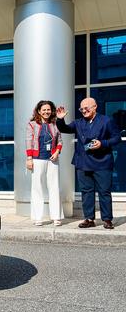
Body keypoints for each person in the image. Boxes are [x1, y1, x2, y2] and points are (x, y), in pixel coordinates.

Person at [56, 97, 121, 229]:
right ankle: (89, 219)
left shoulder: (106, 120)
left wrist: (103, 143)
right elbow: (65, 129)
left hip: (102, 162)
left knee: (104, 192)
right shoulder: (78, 122)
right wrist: (60, 119)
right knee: (86, 192)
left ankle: (107, 219)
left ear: (95, 107)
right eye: (81, 109)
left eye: (86, 108)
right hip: (83, 162)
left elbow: (117, 137)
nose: (84, 111)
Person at [26, 100, 64, 226]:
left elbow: (60, 141)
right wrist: (29, 158)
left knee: (54, 187)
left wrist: (57, 152)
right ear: (39, 111)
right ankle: (38, 218)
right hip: (37, 159)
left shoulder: (55, 124)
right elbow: (28, 141)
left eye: (48, 109)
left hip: (52, 159)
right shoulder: (32, 124)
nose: (46, 112)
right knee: (37, 188)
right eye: (44, 110)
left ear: (51, 111)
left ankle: (56, 217)